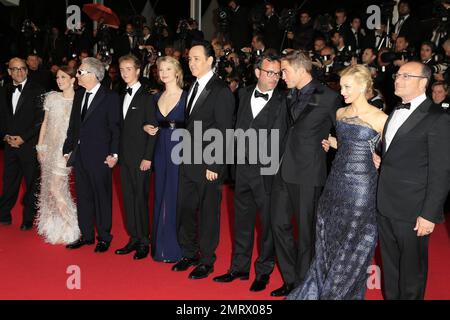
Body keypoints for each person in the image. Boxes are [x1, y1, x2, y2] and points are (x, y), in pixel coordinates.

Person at [287, 65, 388, 300]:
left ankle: (338, 294)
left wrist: (383, 162)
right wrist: (335, 145)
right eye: (341, 86)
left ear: (363, 86)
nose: (341, 91)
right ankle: (321, 286)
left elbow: (393, 154)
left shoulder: (381, 118)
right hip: (334, 184)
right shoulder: (340, 114)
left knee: (353, 242)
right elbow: (347, 145)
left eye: (347, 87)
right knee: (327, 237)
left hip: (362, 188)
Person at [374, 61, 450, 299]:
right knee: (391, 268)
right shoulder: (396, 109)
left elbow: (441, 171)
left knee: (412, 273)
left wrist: (429, 214)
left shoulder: (438, 117)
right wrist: (381, 162)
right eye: (398, 74)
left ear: (423, 83)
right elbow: (397, 152)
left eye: (406, 75)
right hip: (385, 204)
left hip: (414, 210)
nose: (398, 79)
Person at [213, 51, 287, 292]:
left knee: (267, 225)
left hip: (267, 173)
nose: (274, 77)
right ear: (257, 72)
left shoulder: (284, 101)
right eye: (269, 72)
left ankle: (264, 271)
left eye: (278, 73)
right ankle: (239, 268)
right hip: (242, 170)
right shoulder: (243, 94)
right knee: (241, 222)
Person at [270, 51, 340, 297]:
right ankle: (291, 280)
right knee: (278, 224)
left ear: (301, 70)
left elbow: (343, 132)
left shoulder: (329, 97)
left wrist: (332, 142)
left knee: (306, 233)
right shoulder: (288, 95)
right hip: (282, 170)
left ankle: (304, 283)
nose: (281, 77)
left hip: (309, 173)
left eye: (285, 71)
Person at [171, 40, 235, 279]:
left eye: (197, 58)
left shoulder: (220, 90)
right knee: (185, 208)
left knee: (208, 212)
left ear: (210, 60)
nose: (191, 63)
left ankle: (207, 260)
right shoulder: (191, 88)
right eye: (189, 59)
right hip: (188, 160)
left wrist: (215, 165)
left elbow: (225, 131)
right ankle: (190, 253)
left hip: (208, 164)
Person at [63, 57, 121, 253]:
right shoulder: (79, 96)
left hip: (101, 156)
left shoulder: (110, 97)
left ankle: (104, 237)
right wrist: (67, 149)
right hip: (80, 155)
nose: (77, 75)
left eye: (80, 72)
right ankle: (86, 235)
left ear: (94, 75)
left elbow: (116, 128)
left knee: (102, 197)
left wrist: (114, 153)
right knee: (84, 196)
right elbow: (73, 126)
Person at [143, 56, 187, 263]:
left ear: (177, 72)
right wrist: (147, 126)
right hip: (161, 147)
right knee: (160, 193)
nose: (164, 73)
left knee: (175, 195)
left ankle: (177, 247)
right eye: (161, 69)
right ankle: (160, 246)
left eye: (168, 69)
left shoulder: (187, 97)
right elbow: (150, 121)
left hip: (180, 147)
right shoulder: (155, 97)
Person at [114, 54, 157, 260]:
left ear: (138, 71)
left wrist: (148, 157)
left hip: (141, 158)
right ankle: (133, 237)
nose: (124, 73)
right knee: (128, 198)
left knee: (140, 199)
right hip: (125, 158)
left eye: (129, 69)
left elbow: (153, 129)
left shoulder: (147, 96)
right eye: (122, 69)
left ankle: (144, 241)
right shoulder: (121, 94)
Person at [35, 66, 80, 244]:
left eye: (63, 77)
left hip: (65, 152)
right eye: (57, 78)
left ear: (73, 80)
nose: (59, 80)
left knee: (55, 187)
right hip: (49, 149)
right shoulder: (52, 97)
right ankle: (59, 224)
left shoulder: (79, 100)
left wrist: (72, 151)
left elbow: (78, 131)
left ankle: (74, 223)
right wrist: (40, 146)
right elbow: (45, 123)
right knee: (55, 188)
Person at [0, 57, 44, 230]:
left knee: (32, 183)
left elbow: (40, 120)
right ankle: (4, 214)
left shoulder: (38, 90)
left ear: (27, 70)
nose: (19, 72)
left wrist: (23, 138)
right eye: (15, 69)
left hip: (29, 146)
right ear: (9, 71)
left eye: (23, 68)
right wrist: (5, 136)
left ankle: (28, 219)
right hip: (9, 145)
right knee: (9, 182)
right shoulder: (3, 90)